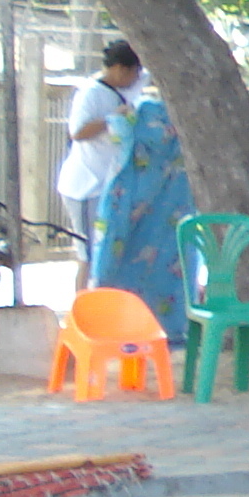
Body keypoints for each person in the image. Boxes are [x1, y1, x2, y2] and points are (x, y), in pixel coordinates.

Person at [88, 91, 193, 340]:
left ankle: (110, 326)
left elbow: (117, 132)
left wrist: (119, 118)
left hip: (127, 199)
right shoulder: (190, 124)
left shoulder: (137, 116)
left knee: (114, 263)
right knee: (170, 264)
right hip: (173, 204)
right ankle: (168, 329)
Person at [55, 37, 144, 285]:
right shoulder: (91, 93)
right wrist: (111, 119)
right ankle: (81, 311)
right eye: (135, 72)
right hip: (86, 187)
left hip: (108, 186)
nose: (138, 78)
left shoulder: (127, 88)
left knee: (110, 251)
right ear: (120, 69)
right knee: (90, 254)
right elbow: (78, 132)